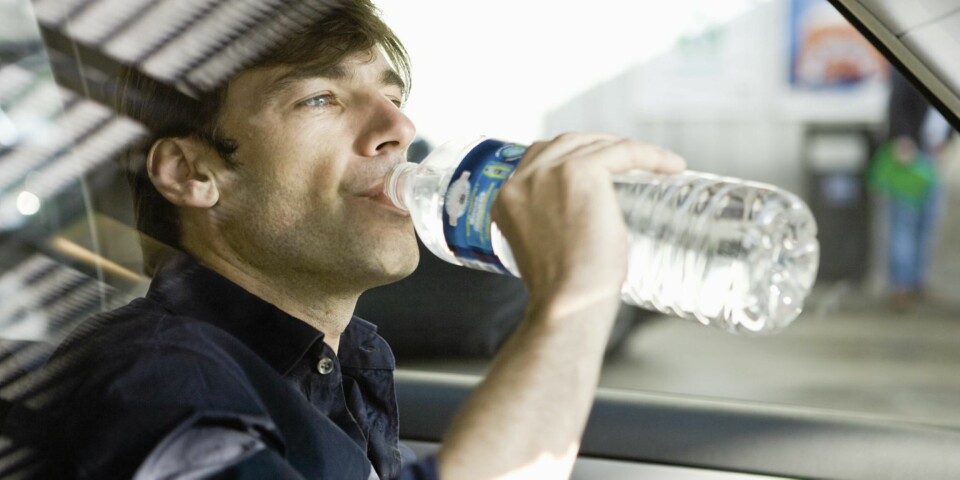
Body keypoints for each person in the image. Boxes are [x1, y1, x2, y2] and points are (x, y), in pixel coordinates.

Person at [3, 1, 685, 479]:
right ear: (193, 172)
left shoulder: (347, 354)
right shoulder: (159, 384)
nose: (396, 125)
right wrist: (575, 299)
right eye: (321, 99)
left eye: (391, 95)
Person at [872, 69, 953, 311]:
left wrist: (946, 144)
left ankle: (917, 281)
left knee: (927, 223)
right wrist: (902, 138)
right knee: (904, 222)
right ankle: (901, 286)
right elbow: (898, 104)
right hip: (909, 154)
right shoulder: (909, 71)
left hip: (933, 156)